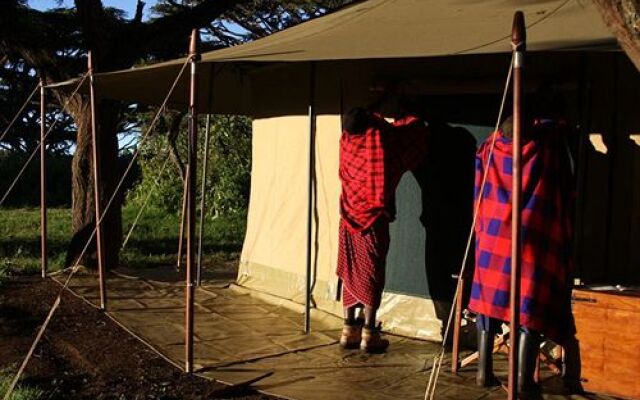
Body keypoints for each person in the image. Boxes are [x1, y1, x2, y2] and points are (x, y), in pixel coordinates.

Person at [469, 88, 576, 396]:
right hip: (529, 240)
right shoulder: (544, 147)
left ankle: (483, 371)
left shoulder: (489, 148)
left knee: (488, 304)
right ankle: (522, 380)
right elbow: (556, 128)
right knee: (530, 304)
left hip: (492, 239)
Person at [337, 99, 428, 353]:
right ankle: (368, 334)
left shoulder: (346, 142)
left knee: (351, 270)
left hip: (347, 216)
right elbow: (400, 143)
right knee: (372, 272)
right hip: (372, 219)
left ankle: (348, 330)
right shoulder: (376, 146)